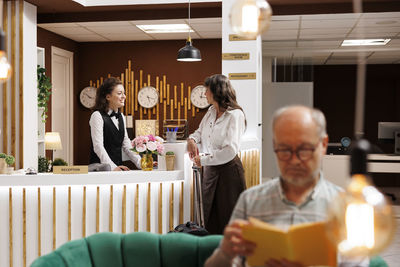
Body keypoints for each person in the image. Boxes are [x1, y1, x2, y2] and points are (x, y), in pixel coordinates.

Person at [205, 105, 368, 267]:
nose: (294, 160)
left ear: (323, 144)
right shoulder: (250, 200)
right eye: (284, 150)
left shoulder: (347, 207)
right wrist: (225, 253)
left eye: (304, 150)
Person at [187, 74, 246, 234]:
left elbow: (230, 150)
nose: (204, 93)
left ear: (216, 91)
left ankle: (234, 257)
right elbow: (199, 132)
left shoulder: (235, 115)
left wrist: (203, 159)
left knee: (229, 220)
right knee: (210, 217)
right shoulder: (211, 111)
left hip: (229, 173)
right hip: (211, 172)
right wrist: (192, 139)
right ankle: (213, 253)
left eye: (207, 90)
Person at [89, 77, 141, 171]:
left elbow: (126, 144)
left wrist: (141, 163)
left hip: (118, 168)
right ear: (108, 96)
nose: (124, 96)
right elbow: (98, 146)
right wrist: (112, 167)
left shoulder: (121, 116)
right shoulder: (97, 116)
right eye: (119, 93)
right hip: (100, 170)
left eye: (124, 93)